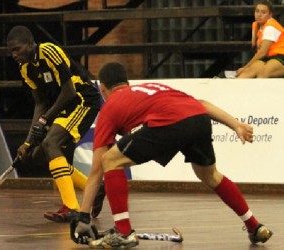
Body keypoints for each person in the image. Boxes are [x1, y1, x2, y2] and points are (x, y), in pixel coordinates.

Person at [71, 62, 273, 248]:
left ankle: (123, 232)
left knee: (110, 160)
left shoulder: (110, 107)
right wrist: (236, 125)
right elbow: (201, 103)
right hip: (198, 119)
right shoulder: (153, 89)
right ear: (128, 83)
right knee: (210, 175)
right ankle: (255, 226)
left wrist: (83, 216)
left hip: (169, 123)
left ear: (102, 89)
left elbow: (98, 168)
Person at [6, 25, 103, 222]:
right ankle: (94, 188)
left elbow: (69, 91)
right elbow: (40, 103)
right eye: (11, 51)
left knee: (51, 143)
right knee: (39, 154)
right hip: (64, 105)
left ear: (30, 44)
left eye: (17, 49)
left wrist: (45, 120)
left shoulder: (49, 51)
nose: (14, 55)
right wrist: (28, 141)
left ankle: (72, 207)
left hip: (83, 98)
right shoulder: (25, 69)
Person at [237, 0, 284, 78]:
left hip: (280, 55)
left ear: (270, 15)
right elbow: (257, 49)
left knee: (264, 72)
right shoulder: (256, 25)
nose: (259, 15)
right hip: (265, 57)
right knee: (248, 72)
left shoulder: (270, 27)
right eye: (257, 11)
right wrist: (247, 69)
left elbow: (262, 52)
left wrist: (245, 67)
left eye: (263, 12)